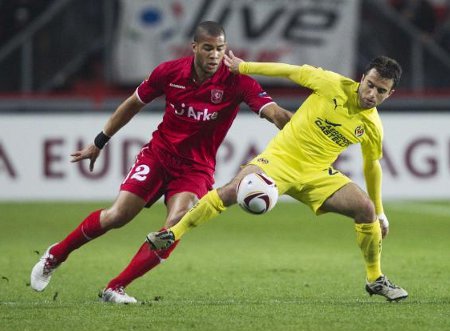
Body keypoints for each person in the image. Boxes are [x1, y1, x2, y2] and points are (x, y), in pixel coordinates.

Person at [30, 21, 293, 303]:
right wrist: (99, 141)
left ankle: (115, 287)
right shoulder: (170, 72)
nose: (215, 55)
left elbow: (274, 112)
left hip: (196, 168)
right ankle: (55, 255)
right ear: (195, 48)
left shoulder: (238, 81)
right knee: (117, 216)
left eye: (220, 48)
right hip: (159, 156)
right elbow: (132, 104)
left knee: (176, 224)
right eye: (208, 48)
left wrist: (298, 128)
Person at [147, 52, 409, 302]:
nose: (372, 94)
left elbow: (372, 165)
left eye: (381, 91)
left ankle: (375, 278)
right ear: (362, 78)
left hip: (317, 174)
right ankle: (173, 233)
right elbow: (289, 71)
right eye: (370, 85)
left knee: (366, 209)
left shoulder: (373, 126)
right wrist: (244, 67)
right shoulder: (331, 84)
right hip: (280, 160)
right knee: (232, 190)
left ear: (390, 93)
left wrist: (380, 212)